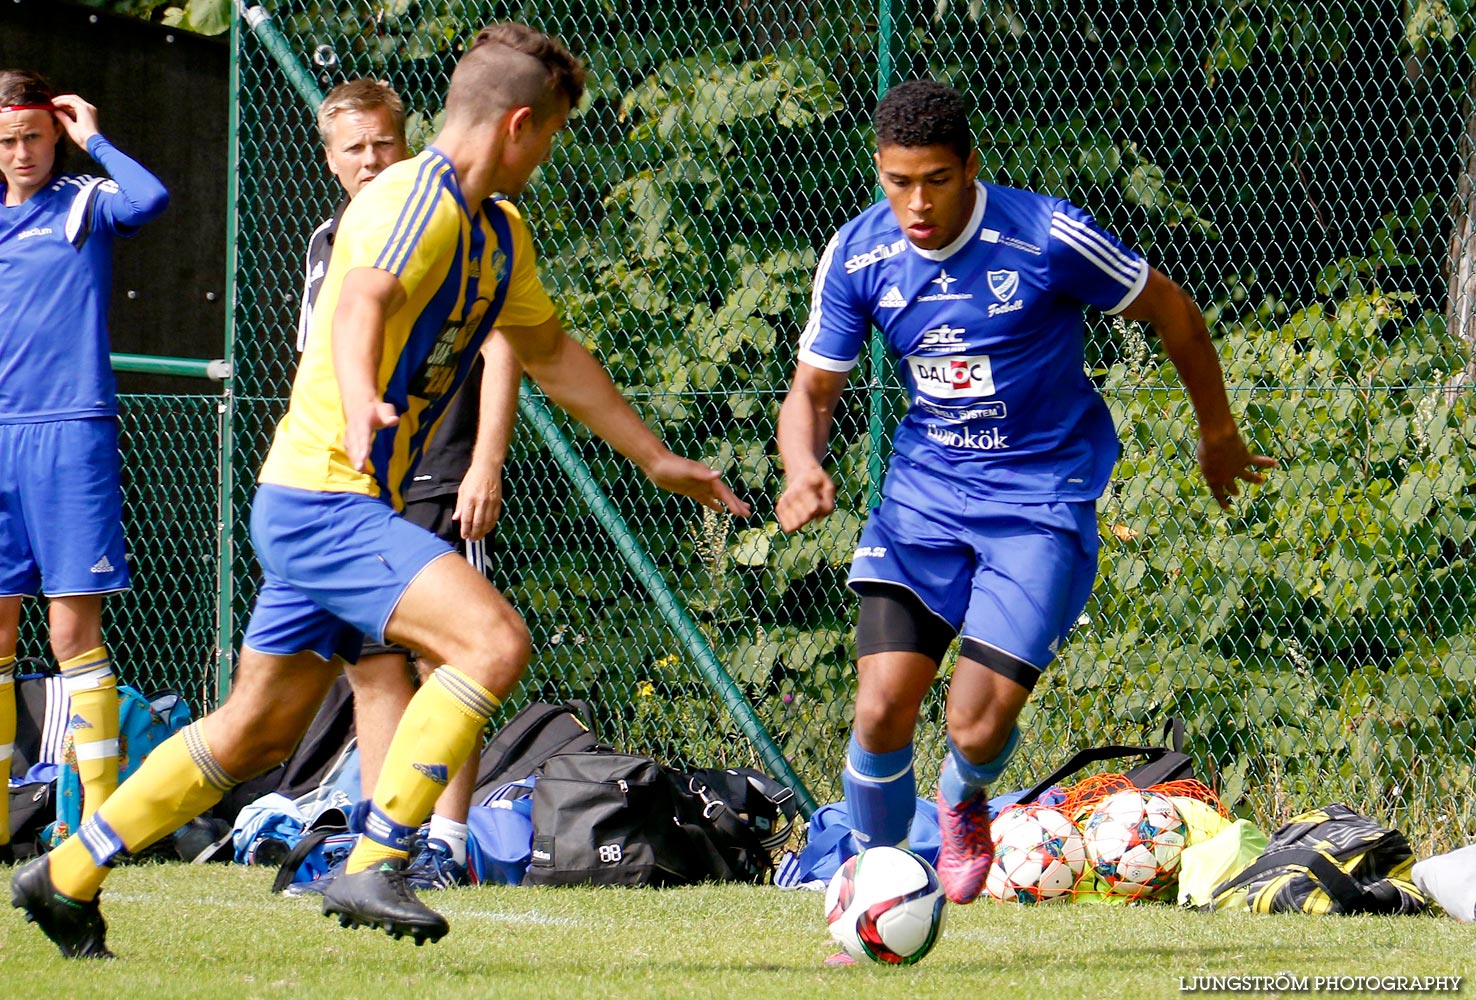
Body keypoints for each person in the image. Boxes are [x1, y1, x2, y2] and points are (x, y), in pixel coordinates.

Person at [12, 23, 748, 959]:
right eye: (553, 135)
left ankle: (66, 874)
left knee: (252, 731)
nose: (551, 154)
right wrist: (361, 400)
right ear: (519, 125)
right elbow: (360, 297)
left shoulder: (496, 231)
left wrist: (656, 459)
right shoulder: (416, 197)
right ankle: (381, 854)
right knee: (491, 642)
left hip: (327, 503)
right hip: (326, 496)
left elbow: (551, 352)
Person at [775, 80, 1275, 925]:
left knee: (972, 727)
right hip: (923, 501)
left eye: (936, 179)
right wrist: (800, 465)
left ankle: (966, 798)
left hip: (1040, 500)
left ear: (971, 166)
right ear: (878, 174)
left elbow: (1175, 314)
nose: (917, 203)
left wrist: (1217, 433)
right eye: (898, 182)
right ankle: (875, 886)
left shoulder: (1046, 235)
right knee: (881, 704)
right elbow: (813, 393)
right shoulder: (858, 255)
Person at [298, 78, 513, 890]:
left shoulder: (446, 221)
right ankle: (377, 842)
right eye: (353, 148)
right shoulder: (328, 241)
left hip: (440, 473)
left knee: (452, 655)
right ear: (330, 160)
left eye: (383, 143)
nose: (370, 159)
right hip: (351, 484)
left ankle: (448, 846)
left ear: (407, 141)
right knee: (371, 666)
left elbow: (504, 351)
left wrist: (486, 462)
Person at [0, 72, 169, 862]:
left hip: (71, 436)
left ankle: (96, 829)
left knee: (72, 631)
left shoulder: (81, 200)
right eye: (7, 139)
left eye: (34, 134)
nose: (22, 151)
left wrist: (91, 135)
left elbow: (150, 200)